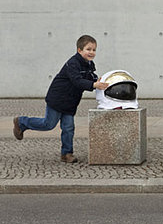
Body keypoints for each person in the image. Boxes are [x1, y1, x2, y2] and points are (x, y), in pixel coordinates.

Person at [12, 35, 109, 163]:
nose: (92, 52)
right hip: (57, 99)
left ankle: (66, 153)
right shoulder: (73, 63)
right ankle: (21, 122)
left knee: (68, 127)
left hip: (70, 102)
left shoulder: (89, 64)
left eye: (94, 50)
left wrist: (98, 80)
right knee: (48, 124)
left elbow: (90, 76)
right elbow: (77, 81)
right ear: (79, 50)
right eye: (88, 49)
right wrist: (93, 85)